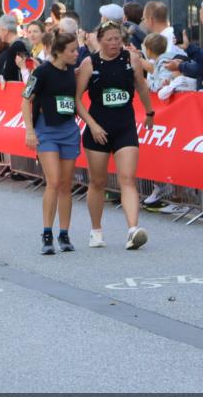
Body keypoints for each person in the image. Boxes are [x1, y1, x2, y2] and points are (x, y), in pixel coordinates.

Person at [75, 21, 156, 250]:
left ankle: (133, 230)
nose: (114, 44)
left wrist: (149, 112)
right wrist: (92, 125)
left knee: (128, 179)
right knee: (98, 182)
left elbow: (141, 86)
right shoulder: (90, 63)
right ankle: (96, 230)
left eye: (117, 39)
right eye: (109, 39)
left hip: (125, 126)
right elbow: (77, 99)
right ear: (99, 41)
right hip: (98, 130)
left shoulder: (130, 59)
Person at [22, 32, 80, 255]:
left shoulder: (71, 72)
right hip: (46, 131)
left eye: (76, 50)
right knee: (53, 181)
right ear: (58, 51)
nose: (76, 54)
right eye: (72, 50)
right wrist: (29, 130)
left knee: (66, 184)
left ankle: (64, 234)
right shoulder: (42, 71)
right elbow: (25, 100)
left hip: (68, 129)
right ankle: (47, 233)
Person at [0, 14, 31, 82]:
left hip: (17, 89)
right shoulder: (16, 45)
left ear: (5, 31)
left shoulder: (17, 46)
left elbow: (28, 68)